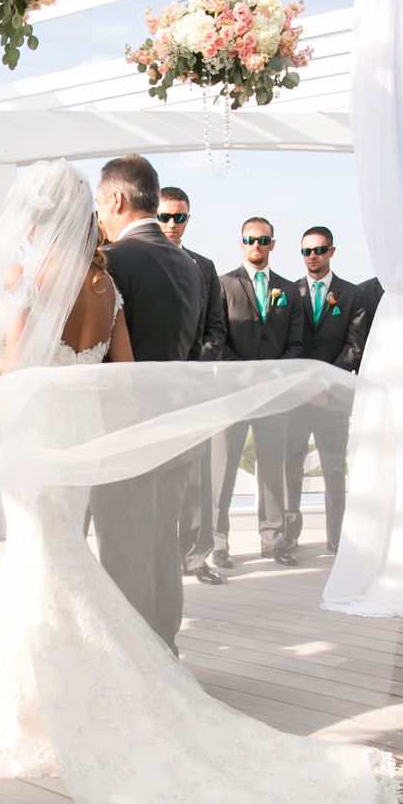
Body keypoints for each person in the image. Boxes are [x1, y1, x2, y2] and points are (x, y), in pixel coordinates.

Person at [0, 160, 397, 804]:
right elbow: (124, 376)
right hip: (87, 446)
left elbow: (10, 373)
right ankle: (84, 688)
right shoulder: (106, 286)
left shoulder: (34, 287)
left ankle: (47, 709)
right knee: (61, 567)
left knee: (43, 570)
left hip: (43, 452)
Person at [90, 155, 208, 650]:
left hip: (123, 435)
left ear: (115, 198)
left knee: (124, 553)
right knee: (163, 548)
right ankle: (165, 648)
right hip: (175, 432)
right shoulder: (192, 266)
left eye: (99, 204)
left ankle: (137, 661)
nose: (98, 216)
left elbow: (95, 358)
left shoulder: (113, 263)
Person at [214, 217, 303, 567]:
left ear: (272, 244)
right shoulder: (222, 285)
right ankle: (218, 544)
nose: (256, 246)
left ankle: (275, 541)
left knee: (272, 470)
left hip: (274, 395)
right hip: (233, 392)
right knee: (222, 472)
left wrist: (272, 376)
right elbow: (215, 341)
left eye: (263, 240)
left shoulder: (289, 290)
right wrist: (250, 374)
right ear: (241, 243)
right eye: (250, 240)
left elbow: (296, 344)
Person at [156, 184, 227, 586]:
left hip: (194, 386)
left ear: (188, 219)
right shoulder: (139, 259)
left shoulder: (205, 267)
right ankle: (161, 554)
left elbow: (215, 327)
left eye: (179, 217)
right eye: (165, 215)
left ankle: (196, 557)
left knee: (198, 475)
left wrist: (194, 371)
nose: (171, 224)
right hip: (152, 388)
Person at [284, 226, 366, 553]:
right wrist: (305, 382)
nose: (312, 256)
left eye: (319, 250)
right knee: (291, 467)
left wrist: (323, 380)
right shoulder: (290, 292)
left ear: (332, 251)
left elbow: (355, 346)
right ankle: (288, 537)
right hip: (298, 396)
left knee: (334, 469)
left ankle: (336, 538)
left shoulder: (352, 295)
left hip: (333, 397)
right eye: (307, 251)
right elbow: (287, 342)